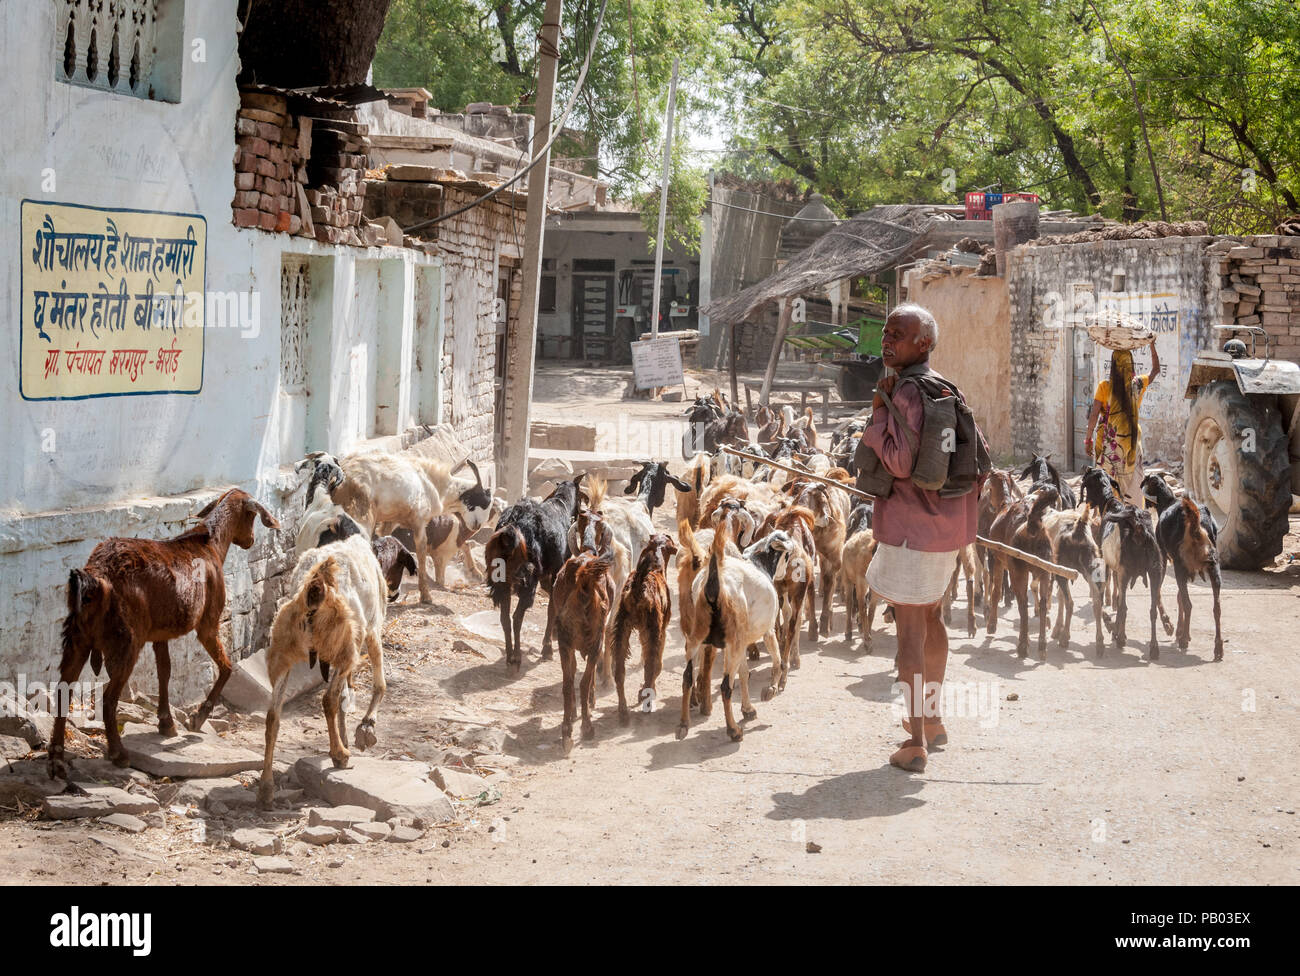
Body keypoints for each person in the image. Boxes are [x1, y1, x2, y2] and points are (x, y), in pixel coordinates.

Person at [855, 304, 979, 773]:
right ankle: (934, 720)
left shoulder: (906, 391)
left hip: (911, 530)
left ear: (923, 342)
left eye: (898, 334)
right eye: (886, 332)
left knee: (908, 633)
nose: (887, 340)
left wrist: (876, 417)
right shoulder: (945, 386)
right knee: (931, 620)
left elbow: (899, 463)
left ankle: (914, 743)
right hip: (946, 529)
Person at [1084, 338, 1160, 507]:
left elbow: (1094, 416)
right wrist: (1152, 346)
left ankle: (1110, 520)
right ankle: (1134, 517)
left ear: (1113, 366)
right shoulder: (1137, 385)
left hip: (1110, 449)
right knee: (1134, 486)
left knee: (1108, 489)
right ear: (1131, 365)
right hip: (1132, 447)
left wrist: (1088, 440)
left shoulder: (1104, 387)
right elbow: (1155, 370)